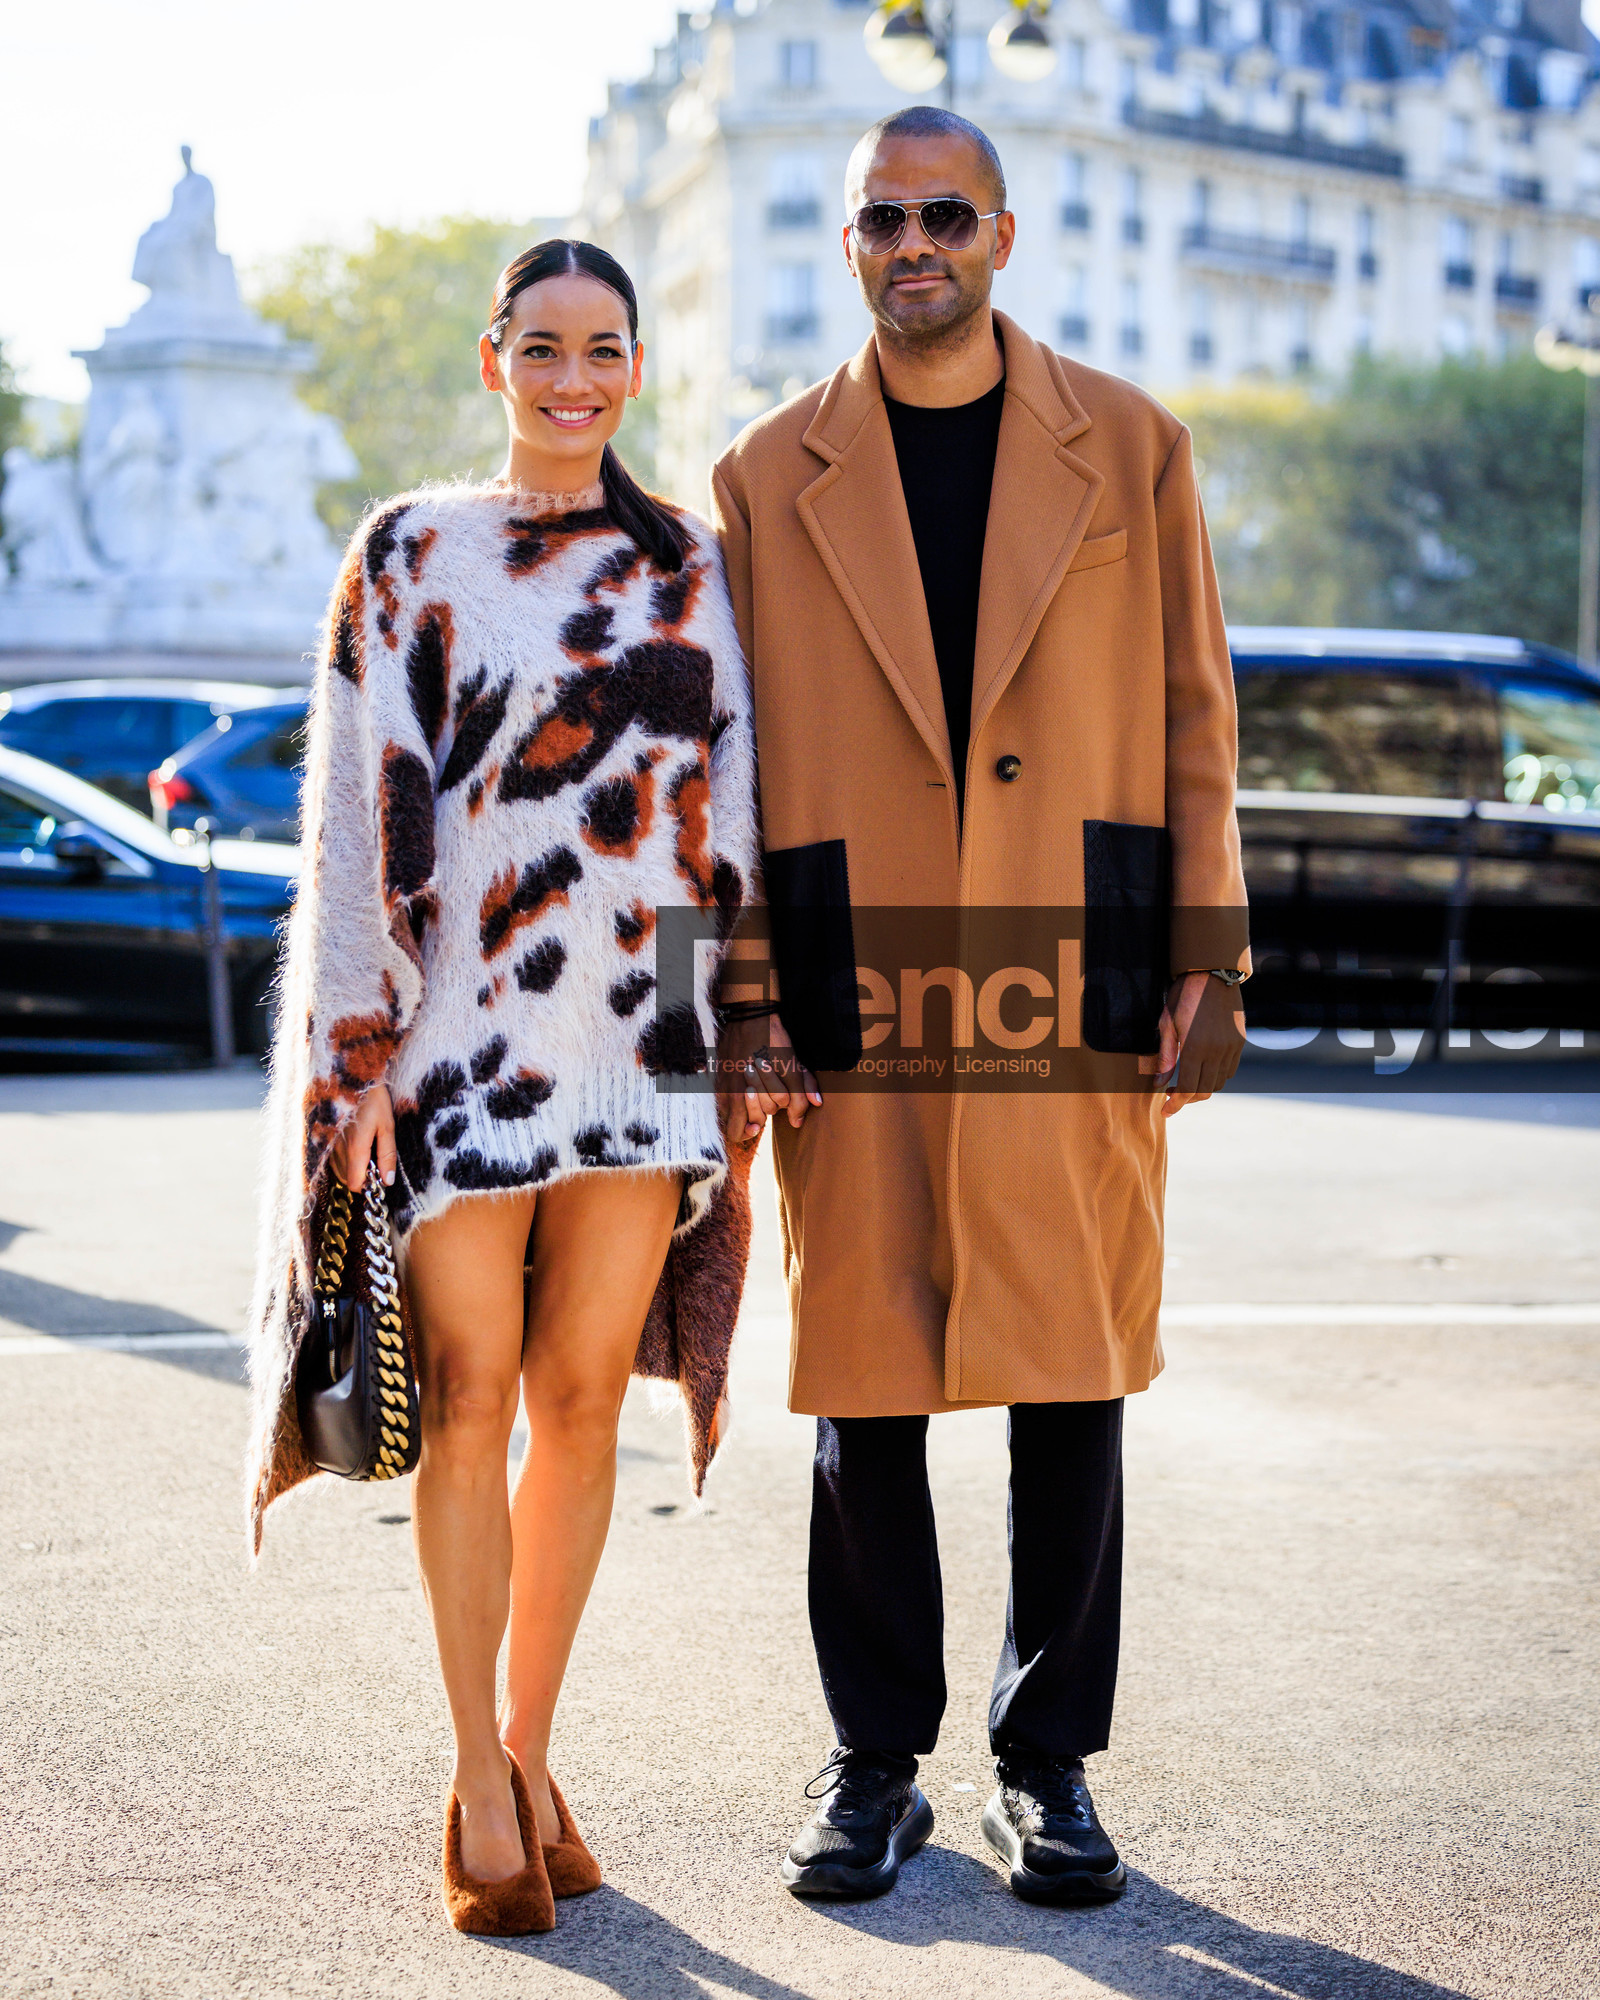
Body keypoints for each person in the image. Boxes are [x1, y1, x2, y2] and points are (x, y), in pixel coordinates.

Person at [713, 108, 1249, 1906]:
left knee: (1069, 1373)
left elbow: (1195, 714)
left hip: (1067, 958)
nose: (915, 239)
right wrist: (736, 980)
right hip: (854, 961)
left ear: (1005, 235)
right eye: (884, 215)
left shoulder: (1138, 445)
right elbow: (720, 764)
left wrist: (1210, 949)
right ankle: (875, 1763)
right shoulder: (762, 474)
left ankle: (1050, 1765)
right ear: (848, 243)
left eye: (948, 213)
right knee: (864, 1383)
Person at [245, 239, 758, 1936]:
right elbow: (348, 813)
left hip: (632, 1053)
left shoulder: (687, 567)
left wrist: (718, 1041)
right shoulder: (407, 554)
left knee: (586, 1403)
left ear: (632, 367)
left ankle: (537, 1748)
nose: (572, 376)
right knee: (467, 1403)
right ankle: (476, 1779)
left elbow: (715, 831)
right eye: (541, 346)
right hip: (462, 1048)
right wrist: (356, 1053)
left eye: (603, 348)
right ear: (493, 360)